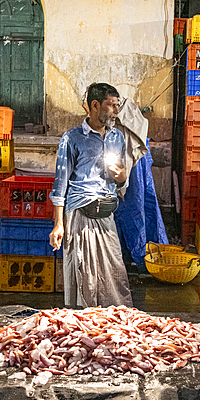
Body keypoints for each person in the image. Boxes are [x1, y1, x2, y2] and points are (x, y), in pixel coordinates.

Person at [49, 82, 133, 308]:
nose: (116, 111)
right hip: (80, 214)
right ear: (95, 105)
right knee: (84, 273)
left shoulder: (118, 138)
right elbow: (60, 184)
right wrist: (59, 224)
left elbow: (122, 179)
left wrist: (122, 177)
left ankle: (113, 323)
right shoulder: (72, 138)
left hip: (106, 214)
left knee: (114, 272)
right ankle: (83, 325)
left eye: (117, 105)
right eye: (111, 106)